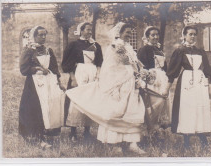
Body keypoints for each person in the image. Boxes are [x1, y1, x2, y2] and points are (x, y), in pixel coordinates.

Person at [65, 22, 146, 154]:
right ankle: (114, 143)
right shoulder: (114, 46)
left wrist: (140, 74)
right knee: (116, 111)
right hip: (118, 83)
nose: (129, 35)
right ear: (119, 33)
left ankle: (132, 142)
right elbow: (109, 66)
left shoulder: (129, 47)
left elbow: (135, 64)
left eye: (130, 33)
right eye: (126, 32)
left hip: (130, 82)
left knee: (132, 110)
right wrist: (116, 82)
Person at [164, 25, 211, 149]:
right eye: (190, 34)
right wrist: (167, 88)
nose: (192, 36)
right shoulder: (180, 50)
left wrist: (208, 88)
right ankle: (186, 140)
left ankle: (202, 137)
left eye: (194, 34)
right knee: (187, 109)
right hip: (186, 82)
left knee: (199, 108)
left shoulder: (200, 51)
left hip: (200, 83)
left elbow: (207, 70)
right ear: (184, 35)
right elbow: (173, 71)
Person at [19, 26, 65, 148]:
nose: (43, 37)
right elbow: (23, 69)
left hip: (49, 82)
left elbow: (54, 67)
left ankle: (47, 133)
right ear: (34, 36)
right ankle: (36, 137)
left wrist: (59, 82)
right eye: (40, 35)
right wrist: (38, 69)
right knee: (36, 109)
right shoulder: (28, 50)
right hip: (34, 84)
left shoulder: (48, 50)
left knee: (49, 107)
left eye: (45, 35)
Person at [61, 22, 103, 141]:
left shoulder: (96, 45)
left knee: (90, 100)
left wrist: (98, 74)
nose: (90, 32)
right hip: (79, 73)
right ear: (81, 30)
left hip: (92, 73)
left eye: (91, 30)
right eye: (87, 30)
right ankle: (73, 132)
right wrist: (73, 78)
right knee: (77, 101)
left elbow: (99, 62)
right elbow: (66, 63)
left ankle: (87, 131)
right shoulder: (74, 45)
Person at [137, 26, 170, 140]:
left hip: (162, 79)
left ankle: (156, 129)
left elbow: (164, 66)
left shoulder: (159, 50)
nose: (155, 37)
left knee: (161, 103)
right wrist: (146, 80)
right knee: (152, 104)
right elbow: (142, 67)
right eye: (152, 35)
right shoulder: (144, 49)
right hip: (151, 79)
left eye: (157, 35)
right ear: (147, 37)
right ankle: (148, 130)